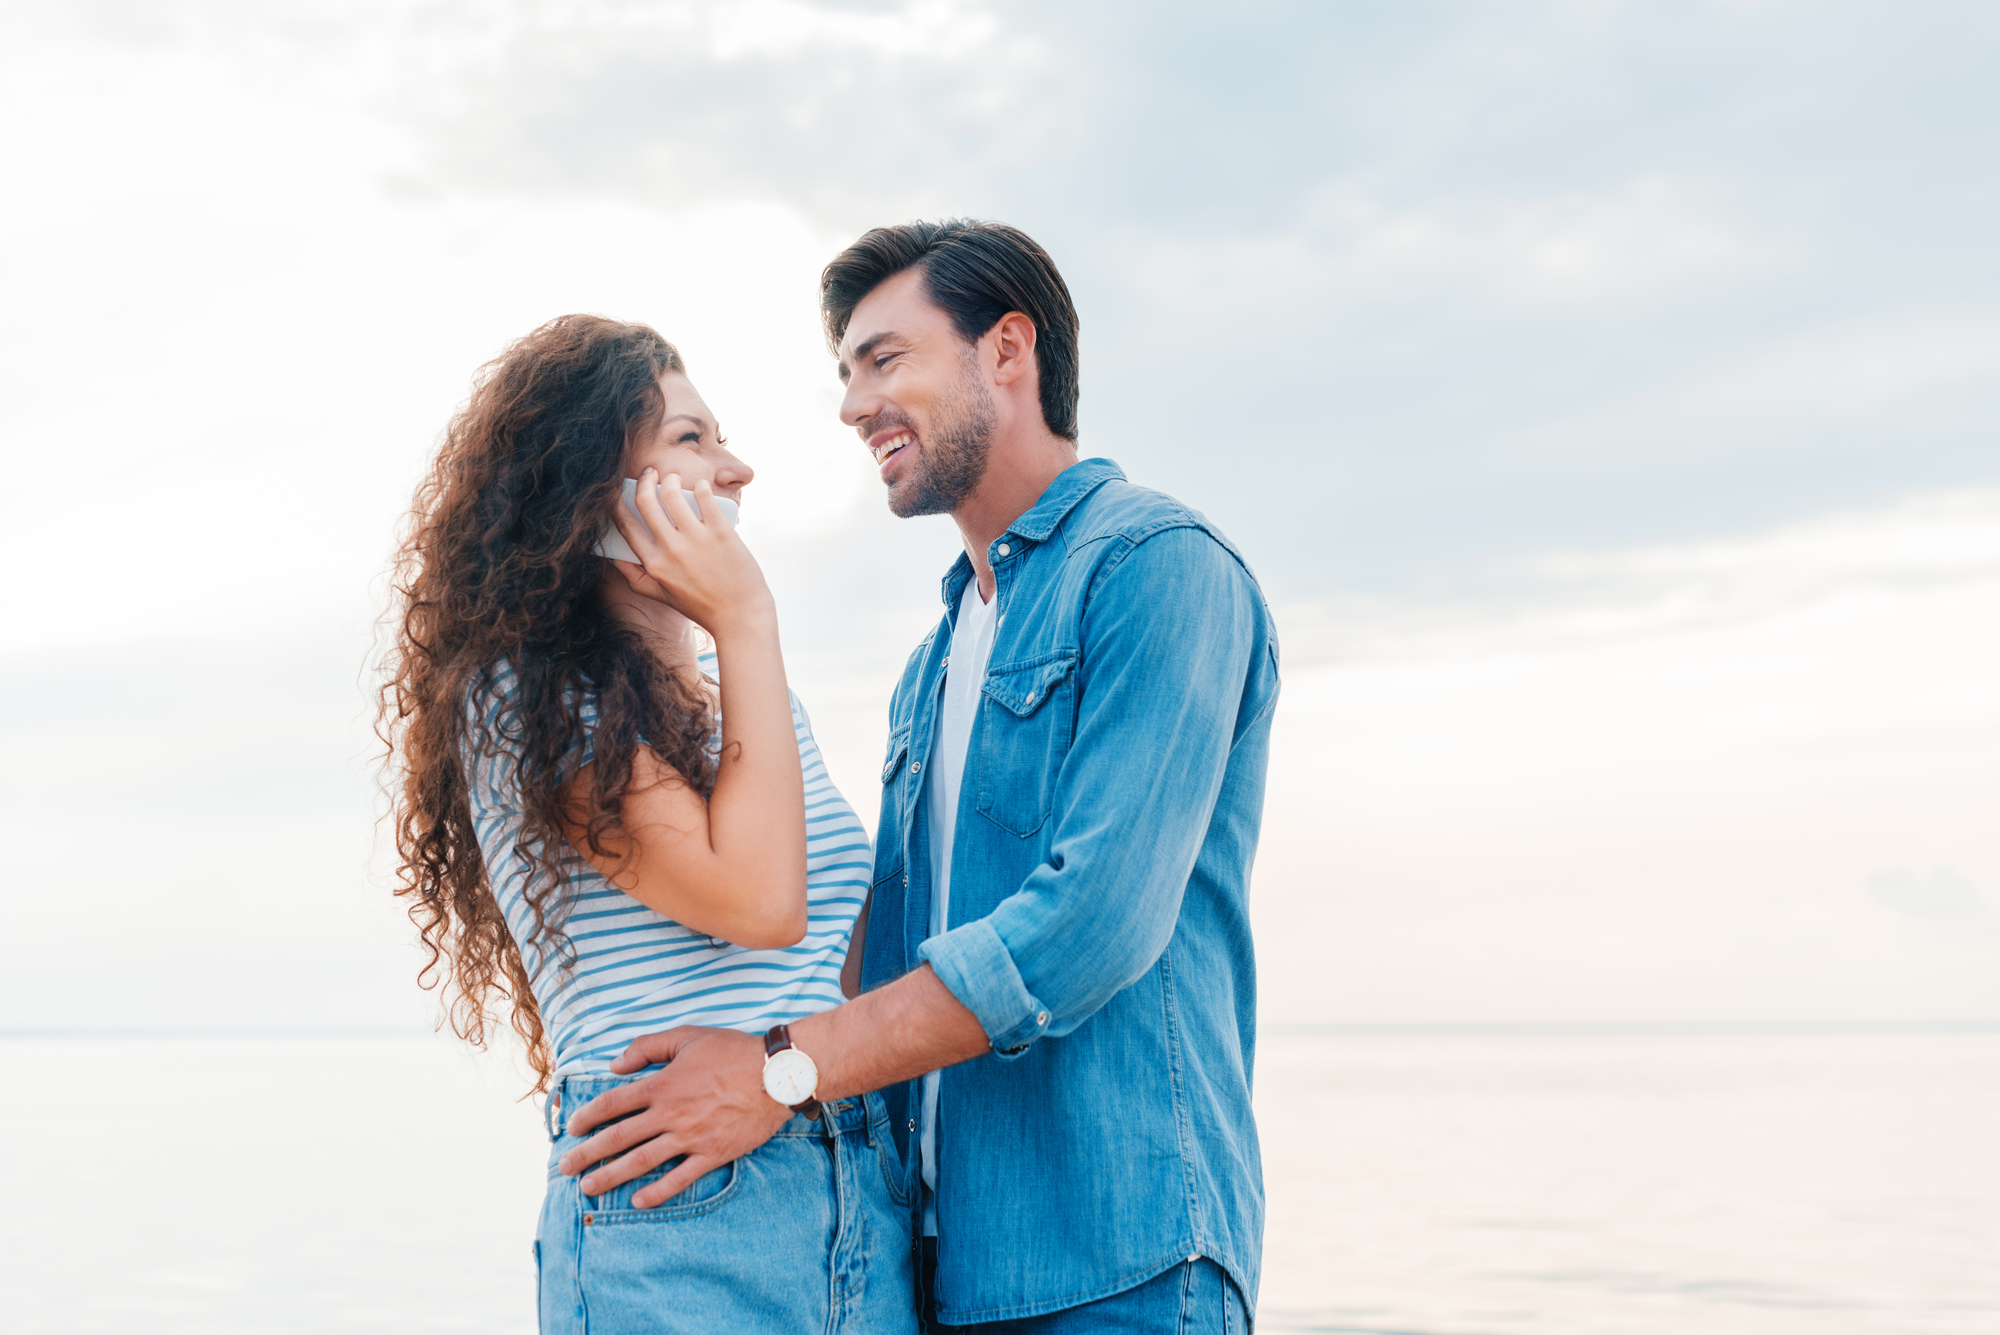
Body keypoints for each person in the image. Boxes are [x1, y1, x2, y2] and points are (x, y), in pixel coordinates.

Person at [561, 220, 1280, 1333]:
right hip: (931, 1265)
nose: (852, 406)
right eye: (846, 373)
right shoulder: (931, 665)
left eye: (884, 359)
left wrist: (774, 1071)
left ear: (1006, 351)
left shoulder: (1155, 567)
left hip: (1117, 1261)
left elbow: (1088, 925)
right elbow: (876, 948)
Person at [379, 314, 916, 1334]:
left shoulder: (740, 693)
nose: (737, 468)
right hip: (677, 1211)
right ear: (591, 492)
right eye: (691, 439)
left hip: (850, 1188)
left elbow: (838, 959)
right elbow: (758, 904)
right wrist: (746, 616)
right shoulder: (526, 697)